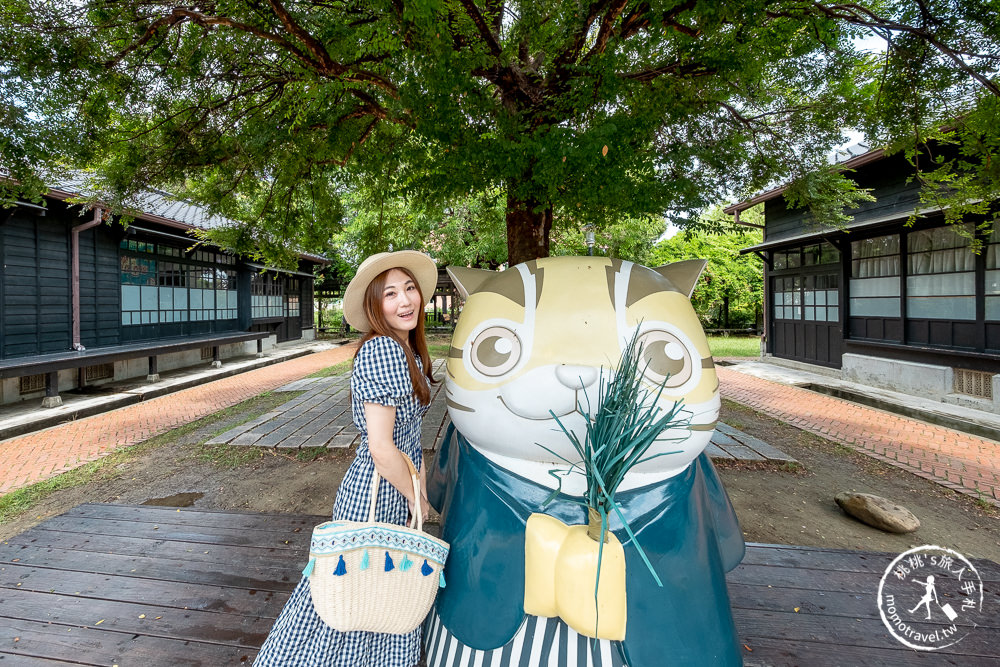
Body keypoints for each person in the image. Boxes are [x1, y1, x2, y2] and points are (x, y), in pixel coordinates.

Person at [254, 250, 439, 667]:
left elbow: (410, 440)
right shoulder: (383, 352)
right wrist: (418, 500)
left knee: (382, 593)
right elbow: (381, 448)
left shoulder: (406, 349)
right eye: (390, 293)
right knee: (346, 597)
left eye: (409, 288)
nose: (405, 300)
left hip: (397, 487)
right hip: (378, 489)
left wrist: (419, 492)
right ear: (375, 305)